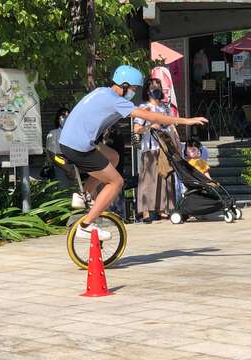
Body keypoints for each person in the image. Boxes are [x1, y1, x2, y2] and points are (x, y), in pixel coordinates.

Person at [59, 65, 208, 239]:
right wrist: (186, 121)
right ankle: (86, 225)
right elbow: (152, 118)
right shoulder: (115, 100)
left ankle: (84, 195)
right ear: (123, 85)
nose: (134, 92)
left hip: (70, 141)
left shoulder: (102, 92)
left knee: (113, 157)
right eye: (133, 88)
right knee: (116, 182)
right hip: (79, 146)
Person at [133, 78, 177, 223]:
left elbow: (171, 125)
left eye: (158, 86)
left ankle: (162, 208)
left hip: (164, 147)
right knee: (148, 179)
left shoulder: (165, 108)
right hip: (150, 147)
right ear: (147, 90)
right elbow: (137, 129)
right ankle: (146, 211)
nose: (156, 89)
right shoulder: (144, 107)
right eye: (153, 87)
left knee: (165, 177)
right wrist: (150, 126)